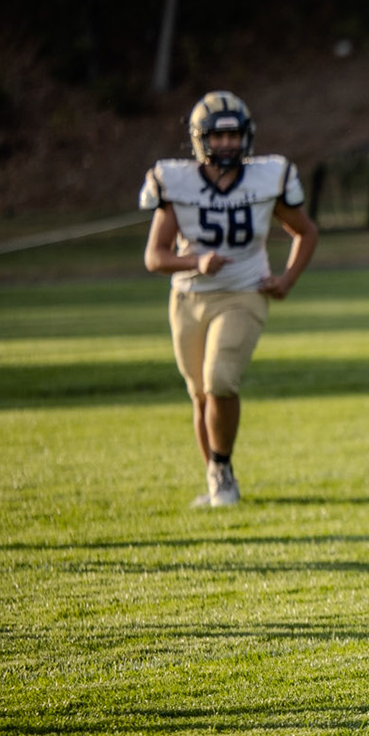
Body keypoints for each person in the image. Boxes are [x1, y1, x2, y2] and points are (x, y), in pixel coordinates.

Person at [141, 91, 318, 507]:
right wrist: (195, 262)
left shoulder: (267, 176)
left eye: (233, 136)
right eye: (217, 137)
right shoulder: (176, 180)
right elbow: (154, 256)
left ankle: (221, 470)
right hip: (188, 298)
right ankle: (218, 476)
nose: (226, 145)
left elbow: (305, 232)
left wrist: (287, 279)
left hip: (244, 292)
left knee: (220, 379)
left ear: (247, 137)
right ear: (200, 139)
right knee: (200, 394)